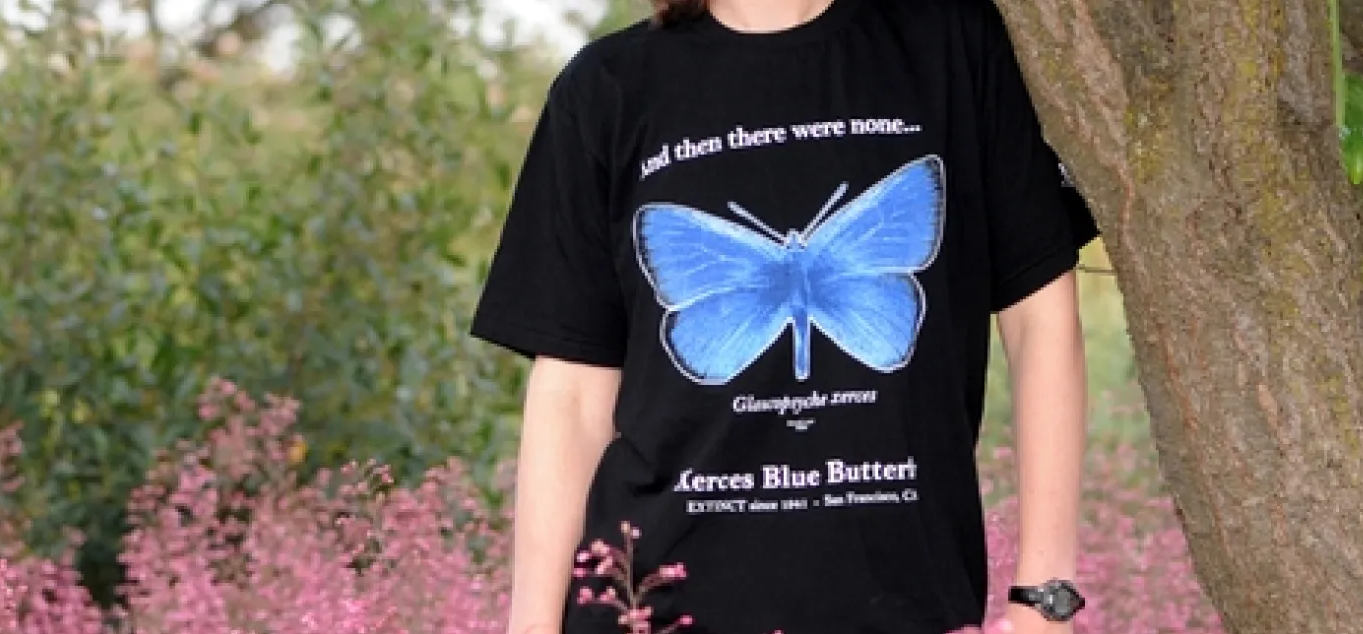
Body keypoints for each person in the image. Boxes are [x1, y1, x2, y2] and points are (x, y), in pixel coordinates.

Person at [470, 0, 1098, 631]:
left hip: (904, 607)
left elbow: (1040, 316)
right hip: (652, 608)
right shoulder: (605, 87)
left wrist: (1045, 601)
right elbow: (571, 394)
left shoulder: (953, 43)